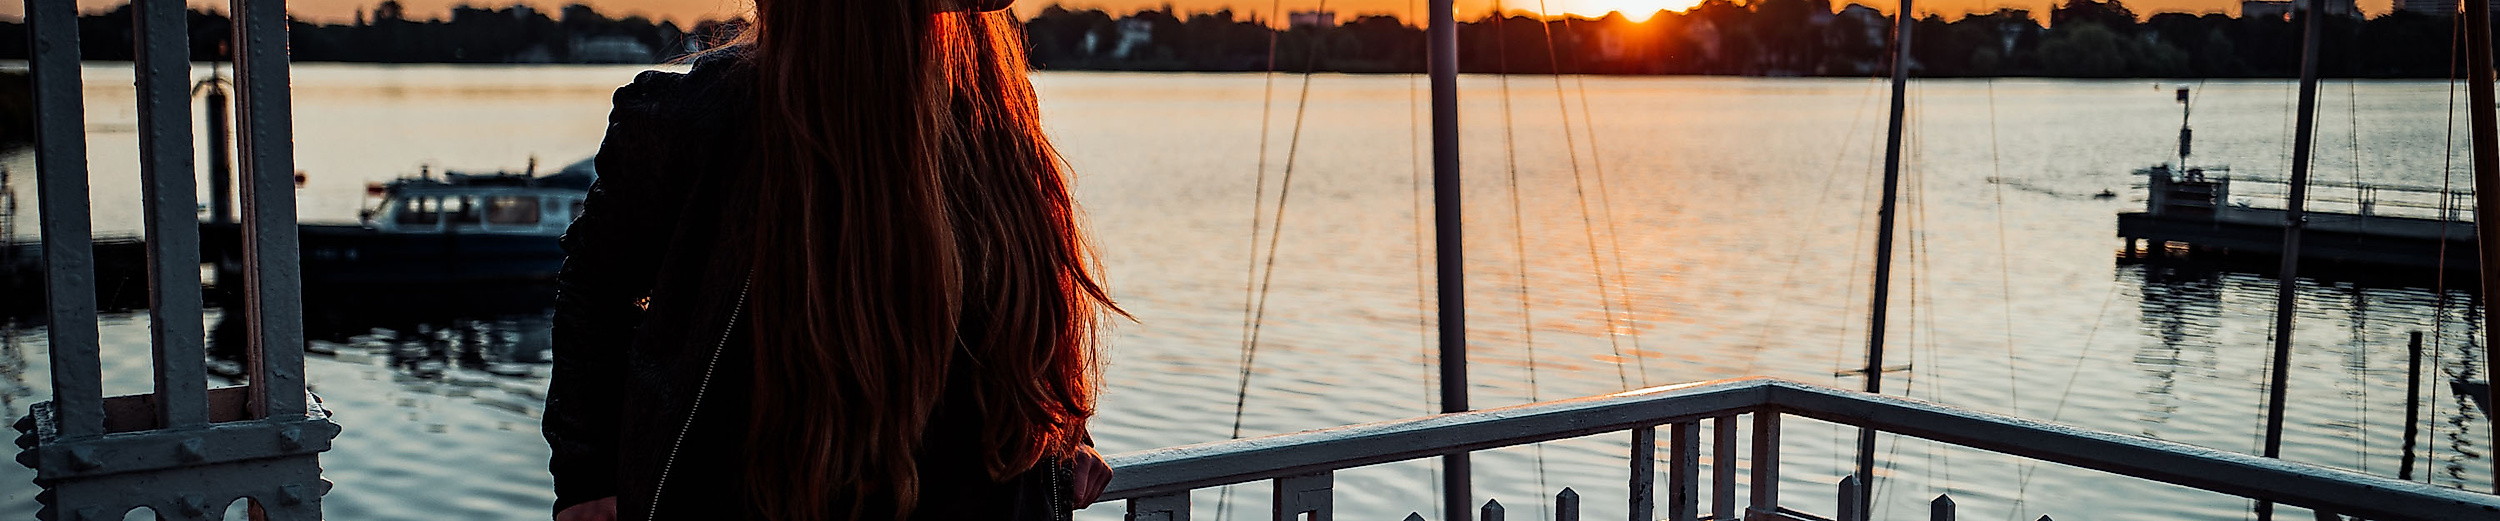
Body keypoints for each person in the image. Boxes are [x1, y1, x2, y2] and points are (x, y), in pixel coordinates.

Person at [541, 0, 1119, 519]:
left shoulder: (988, 116)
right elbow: (596, 288)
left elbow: (1004, 322)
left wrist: (1059, 433)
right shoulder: (714, 118)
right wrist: (588, 481)